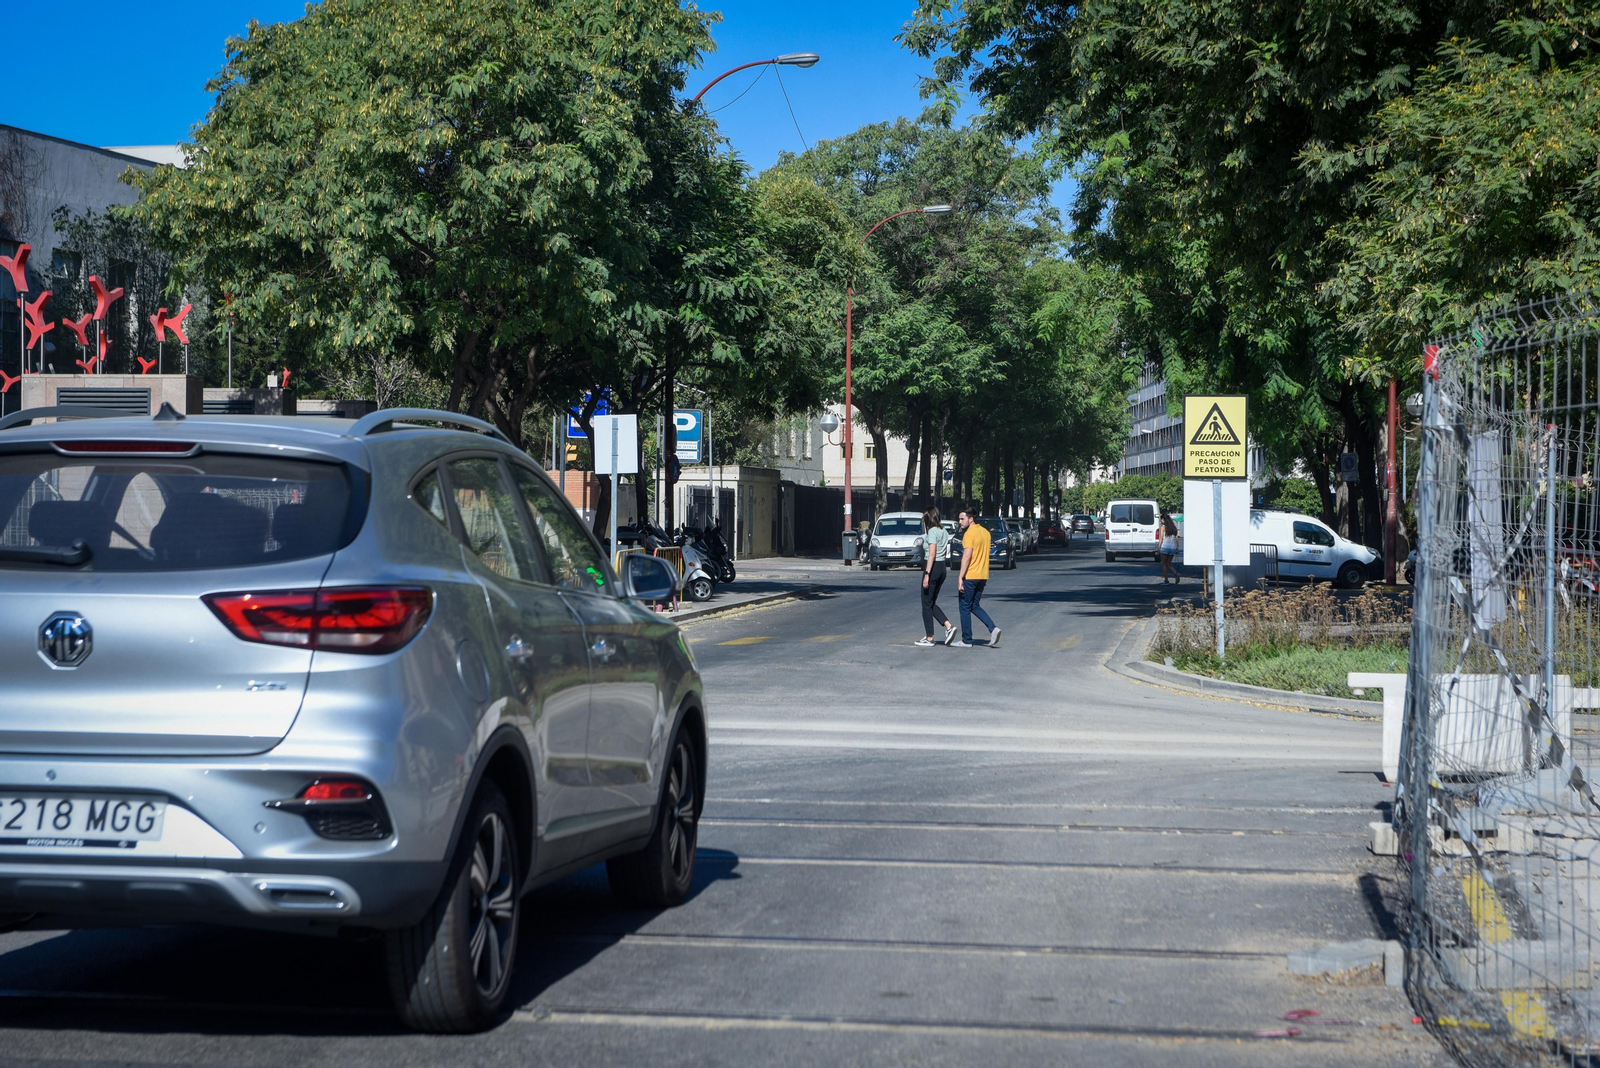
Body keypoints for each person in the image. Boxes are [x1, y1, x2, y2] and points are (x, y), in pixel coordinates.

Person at [952, 505, 1000, 648]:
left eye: (962, 519)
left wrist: (960, 577)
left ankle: (966, 640)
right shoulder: (985, 533)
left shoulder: (969, 534)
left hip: (971, 575)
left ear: (971, 519)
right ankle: (993, 628)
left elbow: (967, 556)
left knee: (964, 607)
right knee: (974, 605)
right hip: (983, 575)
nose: (959, 522)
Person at [915, 508, 956, 647]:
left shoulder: (932, 531)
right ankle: (949, 627)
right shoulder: (944, 531)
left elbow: (932, 553)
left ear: (928, 519)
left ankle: (930, 637)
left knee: (926, 603)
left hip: (932, 567)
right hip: (941, 568)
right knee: (931, 602)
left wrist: (927, 574)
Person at [1158, 511, 1179, 583]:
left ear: (1163, 519)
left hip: (1165, 546)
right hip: (1172, 547)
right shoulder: (1173, 528)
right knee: (1169, 563)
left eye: (1161, 519)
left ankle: (1166, 580)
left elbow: (1161, 538)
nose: (1161, 521)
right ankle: (1176, 574)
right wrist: (1177, 546)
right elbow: (1176, 537)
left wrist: (1159, 547)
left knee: (1164, 564)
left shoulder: (1163, 527)